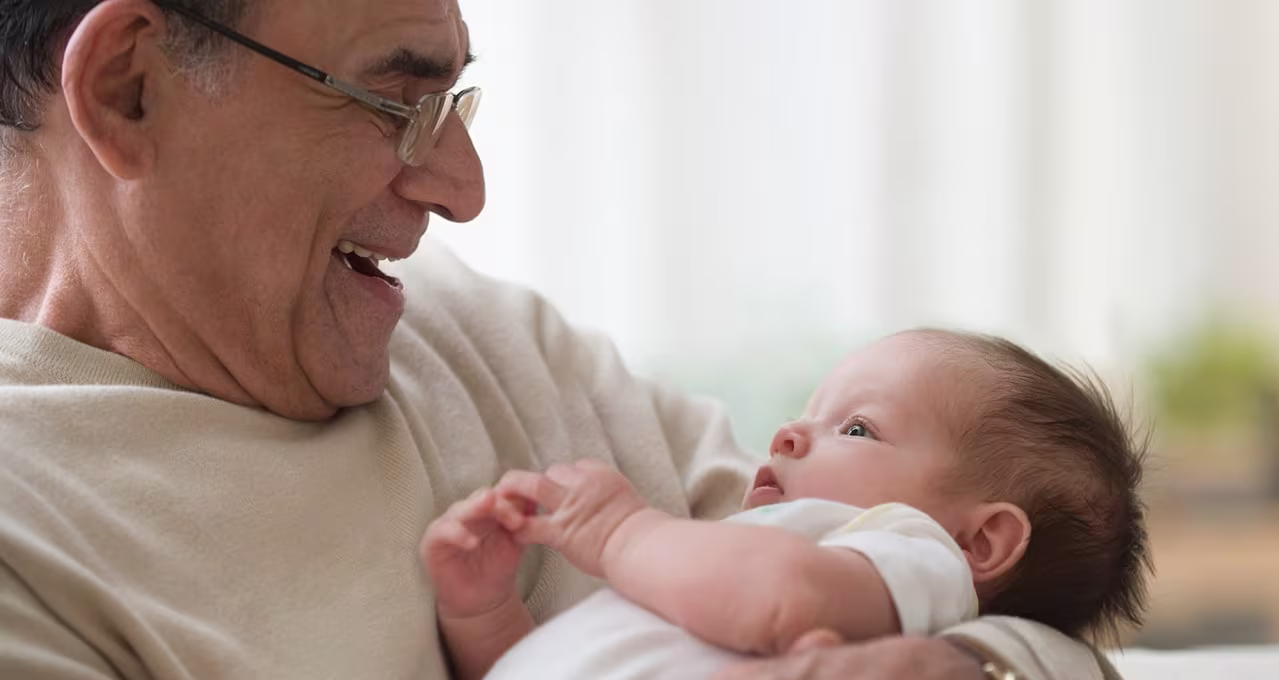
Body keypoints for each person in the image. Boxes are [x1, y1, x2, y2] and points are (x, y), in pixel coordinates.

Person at [0, 0, 1121, 678]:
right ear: (129, 86)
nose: (463, 190)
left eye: (459, 109)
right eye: (399, 100)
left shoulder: (484, 338)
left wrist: (982, 661)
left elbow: (990, 596)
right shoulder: (28, 532)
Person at [422, 330, 1151, 680]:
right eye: (810, 411)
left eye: (857, 428)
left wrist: (618, 530)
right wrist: (485, 614)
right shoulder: (714, 564)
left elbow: (780, 597)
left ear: (979, 543)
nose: (789, 434)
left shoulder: (911, 551)